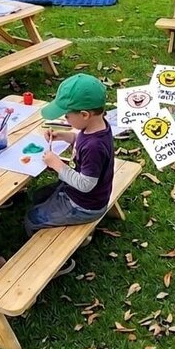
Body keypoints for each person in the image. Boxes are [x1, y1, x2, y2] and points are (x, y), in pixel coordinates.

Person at [23, 74, 115, 275]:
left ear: (84, 114)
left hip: (84, 205)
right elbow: (80, 140)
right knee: (37, 196)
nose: (65, 118)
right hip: (79, 195)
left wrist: (57, 165)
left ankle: (54, 263)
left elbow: (85, 184)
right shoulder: (94, 128)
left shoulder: (94, 146)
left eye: (67, 115)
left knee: (32, 218)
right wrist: (66, 136)